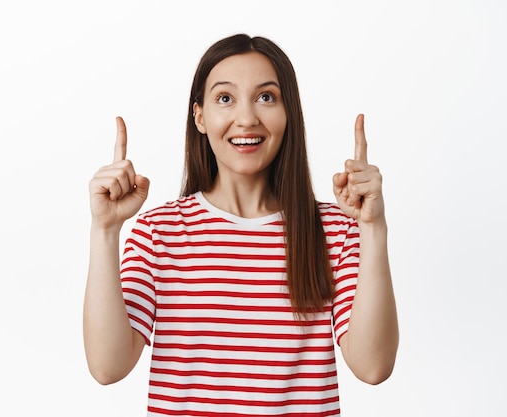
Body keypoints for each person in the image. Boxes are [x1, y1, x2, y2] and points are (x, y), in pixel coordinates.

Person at [83, 33, 398, 416]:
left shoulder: (334, 230)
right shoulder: (159, 232)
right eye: (225, 98)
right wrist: (104, 231)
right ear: (199, 117)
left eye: (266, 97)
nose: (246, 118)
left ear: (289, 113)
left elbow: (373, 366)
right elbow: (107, 367)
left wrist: (373, 227)